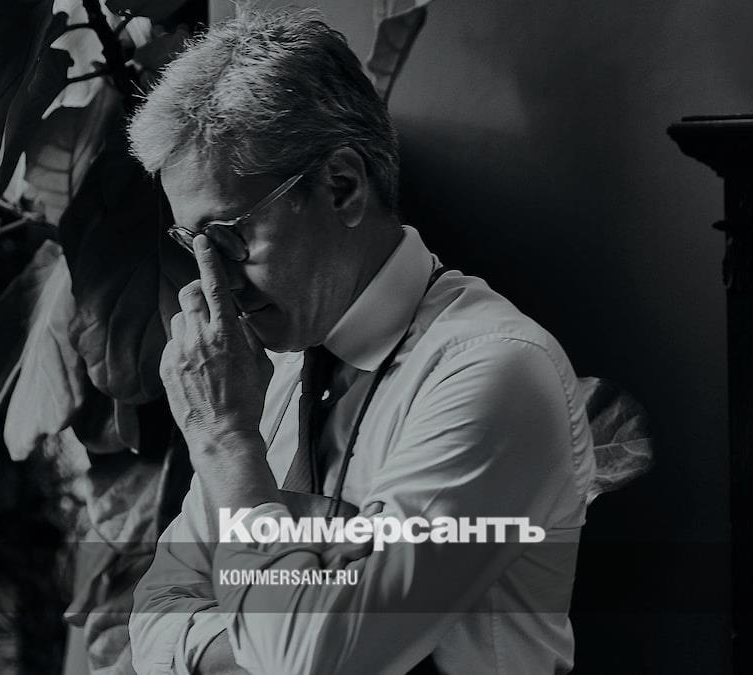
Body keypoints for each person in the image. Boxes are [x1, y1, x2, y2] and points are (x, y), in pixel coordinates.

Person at [126, 9, 595, 675]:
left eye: (229, 238)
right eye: (191, 244)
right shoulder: (263, 375)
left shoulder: (494, 371)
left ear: (341, 187)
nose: (215, 284)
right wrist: (265, 630)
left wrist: (229, 444)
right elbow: (155, 614)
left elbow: (310, 656)